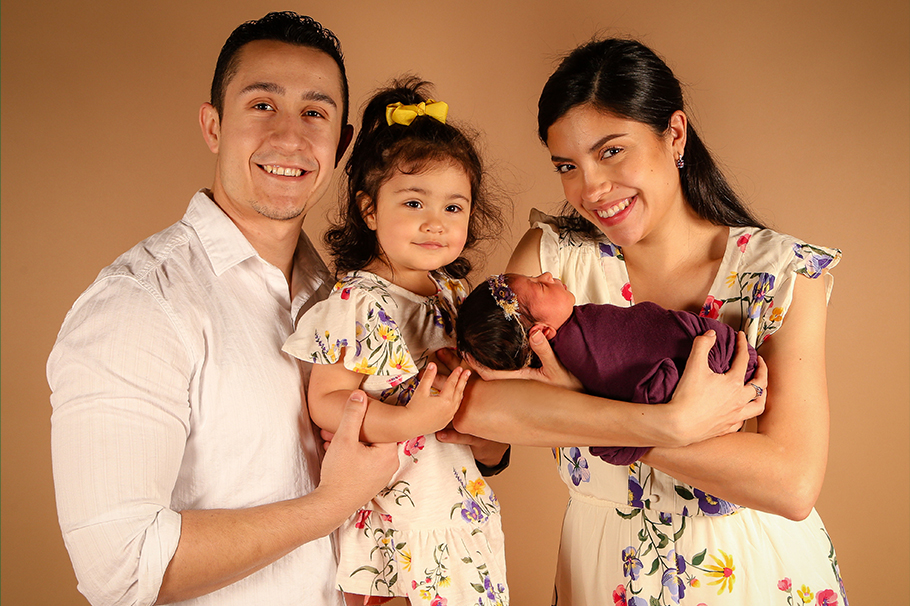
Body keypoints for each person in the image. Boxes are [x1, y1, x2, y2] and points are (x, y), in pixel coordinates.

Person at [449, 38, 847, 604]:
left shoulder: (781, 274)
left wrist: (573, 401)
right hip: (601, 568)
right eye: (568, 165)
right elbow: (483, 405)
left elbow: (790, 482)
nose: (590, 189)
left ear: (675, 134)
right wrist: (671, 426)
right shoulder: (552, 259)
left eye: (611, 152)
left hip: (752, 573)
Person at [47, 12, 402, 606]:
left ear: (341, 145)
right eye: (262, 105)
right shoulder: (141, 303)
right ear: (213, 125)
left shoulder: (345, 300)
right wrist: (331, 506)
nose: (290, 138)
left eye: (315, 113)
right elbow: (122, 569)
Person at [282, 78, 510, 605]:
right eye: (413, 203)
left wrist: (490, 432)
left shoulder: (454, 295)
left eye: (454, 208)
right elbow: (327, 401)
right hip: (395, 520)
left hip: (458, 510)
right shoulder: (358, 302)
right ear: (369, 210)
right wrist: (407, 422)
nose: (436, 223)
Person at [456, 272, 759, 466]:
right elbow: (616, 437)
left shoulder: (580, 333)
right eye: (539, 284)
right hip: (716, 360)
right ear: (542, 331)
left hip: (725, 367)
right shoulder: (586, 345)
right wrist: (673, 420)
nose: (548, 275)